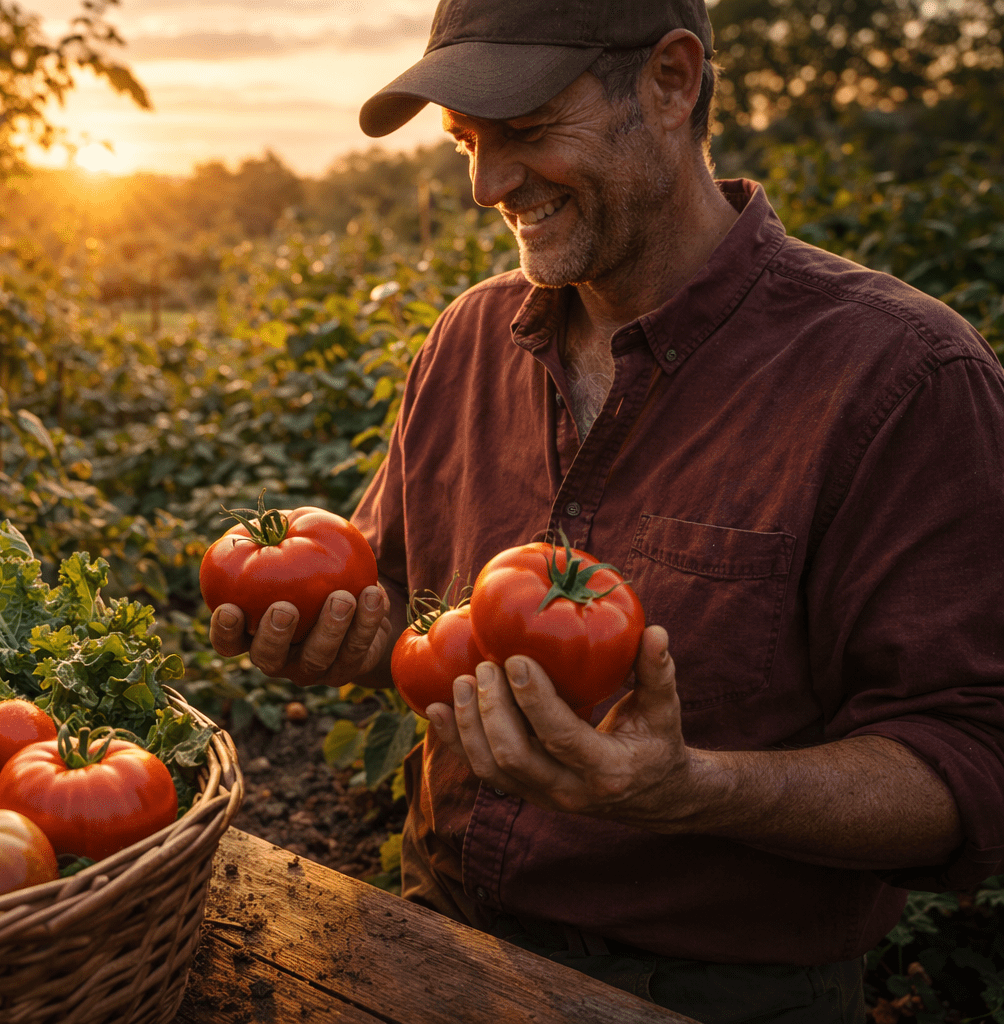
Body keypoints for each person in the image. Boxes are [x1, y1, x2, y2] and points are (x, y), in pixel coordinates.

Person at [205, 1, 1004, 1021]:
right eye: (468, 142)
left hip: (714, 994)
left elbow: (973, 761)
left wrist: (693, 786)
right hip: (431, 933)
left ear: (672, 82)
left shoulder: (902, 375)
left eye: (529, 131)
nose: (487, 187)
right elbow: (407, 615)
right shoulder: (469, 339)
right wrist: (341, 639)